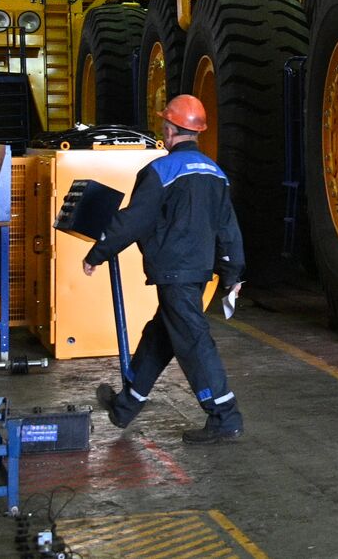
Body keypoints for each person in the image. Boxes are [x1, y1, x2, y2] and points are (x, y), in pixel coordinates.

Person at [82, 94, 247, 445]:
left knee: (194, 342)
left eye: (164, 126)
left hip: (174, 272)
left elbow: (133, 221)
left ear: (171, 130)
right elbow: (227, 229)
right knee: (160, 337)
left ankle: (224, 415)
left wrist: (98, 253)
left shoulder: (160, 171)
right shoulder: (215, 173)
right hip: (197, 273)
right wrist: (233, 274)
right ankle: (124, 407)